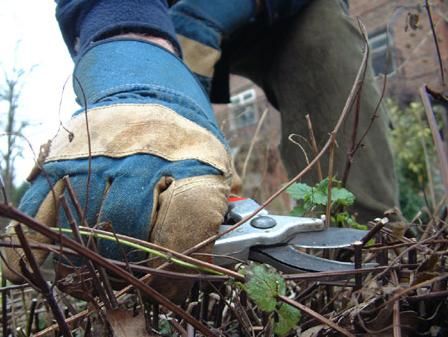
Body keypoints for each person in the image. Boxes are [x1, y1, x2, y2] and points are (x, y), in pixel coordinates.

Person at [2, 0, 398, 303]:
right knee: (156, 141)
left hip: (283, 13)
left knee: (326, 40)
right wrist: (134, 58)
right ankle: (195, 279)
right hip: (158, 15)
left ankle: (373, 254)